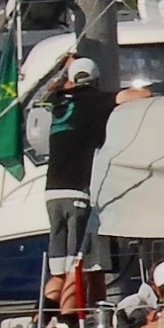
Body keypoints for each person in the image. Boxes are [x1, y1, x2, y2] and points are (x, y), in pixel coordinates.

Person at [40, 54, 112, 282]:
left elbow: (51, 88)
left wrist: (65, 70)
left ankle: (51, 303)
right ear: (96, 79)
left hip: (51, 192)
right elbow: (137, 95)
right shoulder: (95, 99)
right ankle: (73, 306)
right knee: (76, 263)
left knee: (58, 268)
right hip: (77, 191)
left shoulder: (55, 101)